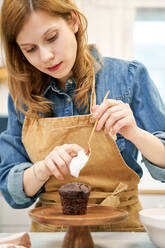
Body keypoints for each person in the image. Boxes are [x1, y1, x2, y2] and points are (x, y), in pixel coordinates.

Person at [0, 0, 165, 232]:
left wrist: (134, 133)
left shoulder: (129, 76)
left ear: (73, 21)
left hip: (121, 232)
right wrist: (41, 170)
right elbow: (11, 190)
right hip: (50, 237)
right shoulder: (22, 96)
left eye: (51, 38)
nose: (46, 56)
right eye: (30, 49)